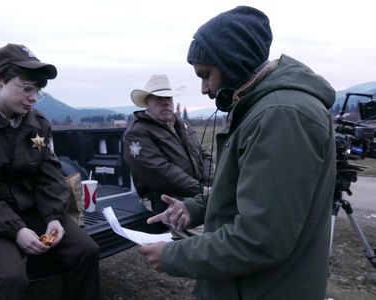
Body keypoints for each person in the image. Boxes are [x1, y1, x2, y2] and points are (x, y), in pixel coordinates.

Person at [138, 6, 336, 300]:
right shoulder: (258, 108)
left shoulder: (281, 115)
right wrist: (194, 207)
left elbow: (260, 239)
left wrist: (173, 256)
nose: (205, 88)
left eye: (206, 75)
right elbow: (248, 191)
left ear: (232, 62)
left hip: (265, 289)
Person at [0, 44, 100, 300]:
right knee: (9, 277)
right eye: (26, 87)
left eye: (37, 90)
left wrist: (53, 217)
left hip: (32, 213)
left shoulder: (38, 124)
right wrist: (16, 229)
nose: (33, 96)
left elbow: (49, 177)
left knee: (86, 251)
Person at [123, 74, 213, 214]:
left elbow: (203, 155)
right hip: (167, 202)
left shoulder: (182, 125)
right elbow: (161, 172)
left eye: (169, 98)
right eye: (159, 98)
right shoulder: (137, 133)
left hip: (198, 197)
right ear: (148, 103)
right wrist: (202, 190)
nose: (166, 102)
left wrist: (211, 183)